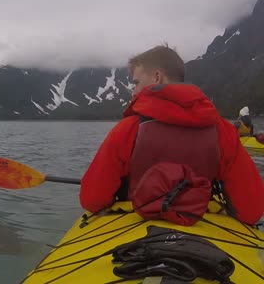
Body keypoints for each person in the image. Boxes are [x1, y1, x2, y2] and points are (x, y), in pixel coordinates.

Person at [79, 44, 264, 225]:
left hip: (138, 224)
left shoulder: (127, 130)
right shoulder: (223, 131)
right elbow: (251, 211)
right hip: (199, 225)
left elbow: (93, 201)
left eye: (136, 82)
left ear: (157, 77)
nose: (133, 91)